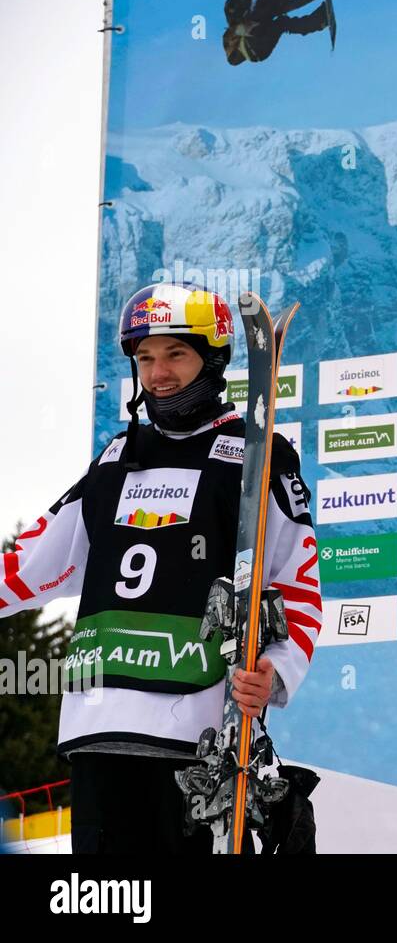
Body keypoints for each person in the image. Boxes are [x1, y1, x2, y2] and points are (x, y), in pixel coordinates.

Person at [0, 282, 321, 853]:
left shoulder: (258, 453)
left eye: (175, 354)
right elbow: (32, 564)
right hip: (98, 728)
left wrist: (277, 669)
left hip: (197, 734)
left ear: (213, 359)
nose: (158, 373)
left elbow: (296, 578)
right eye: (145, 358)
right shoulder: (115, 459)